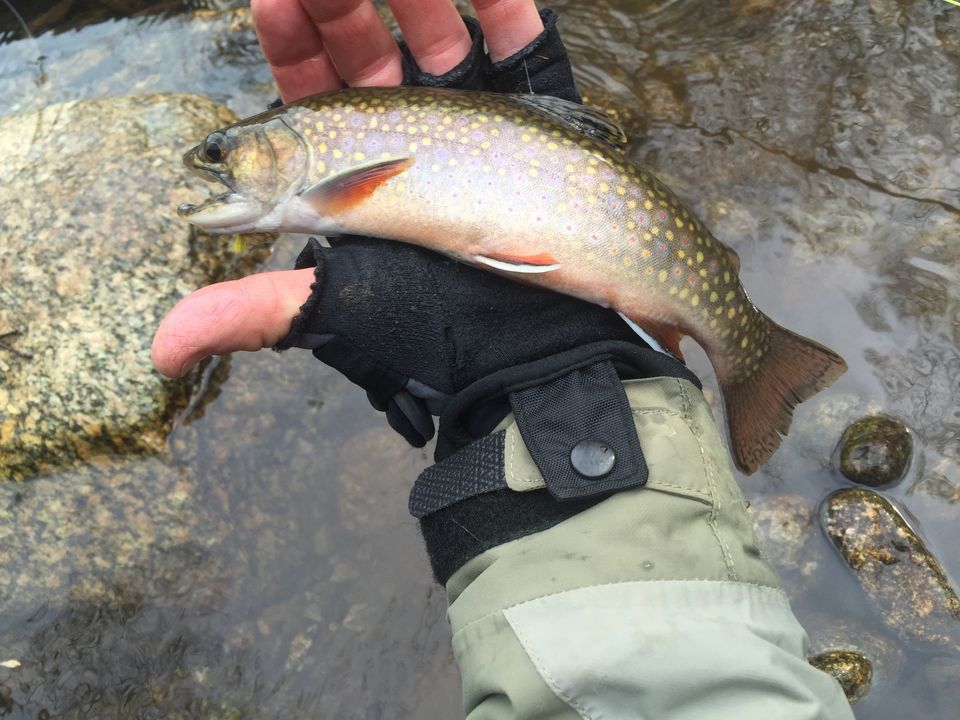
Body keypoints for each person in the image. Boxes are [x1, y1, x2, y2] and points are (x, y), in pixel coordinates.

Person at [152, 1, 855, 717]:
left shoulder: (322, 171)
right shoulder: (318, 158)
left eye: (220, 157)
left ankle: (758, 359)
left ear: (277, 146)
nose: (214, 168)